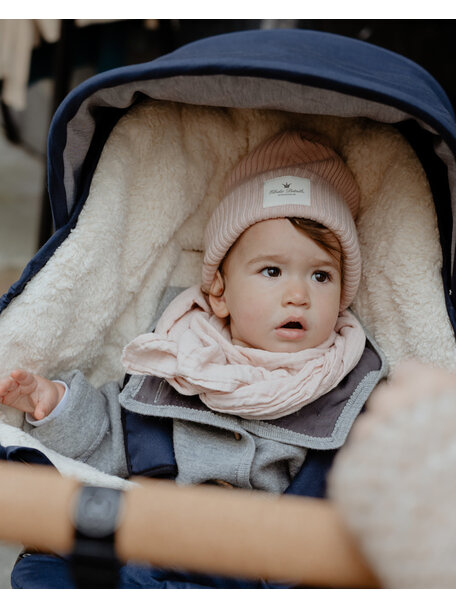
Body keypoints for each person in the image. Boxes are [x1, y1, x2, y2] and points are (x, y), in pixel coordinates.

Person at [0, 131, 386, 587]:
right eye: (272, 271)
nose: (298, 295)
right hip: (153, 541)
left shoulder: (349, 384)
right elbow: (115, 436)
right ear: (219, 293)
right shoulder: (180, 355)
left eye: (321, 275)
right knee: (43, 570)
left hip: (264, 568)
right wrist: (56, 401)